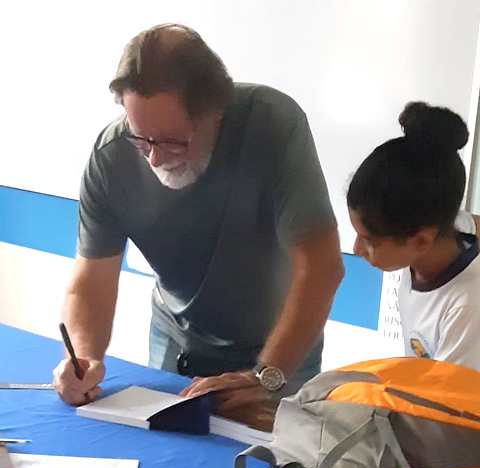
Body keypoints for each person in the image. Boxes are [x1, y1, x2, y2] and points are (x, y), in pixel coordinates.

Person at [53, 23, 344, 410]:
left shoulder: (273, 124)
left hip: (281, 348)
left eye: (172, 142)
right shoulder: (111, 157)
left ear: (215, 112)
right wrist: (82, 360)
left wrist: (268, 374)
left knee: (271, 448)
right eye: (141, 139)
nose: (155, 158)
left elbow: (322, 266)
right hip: (178, 341)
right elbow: (91, 279)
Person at [347, 101, 480, 387]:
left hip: (465, 411)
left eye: (370, 240)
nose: (356, 250)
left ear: (421, 240)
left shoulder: (468, 304)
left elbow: (447, 403)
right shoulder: (443, 232)